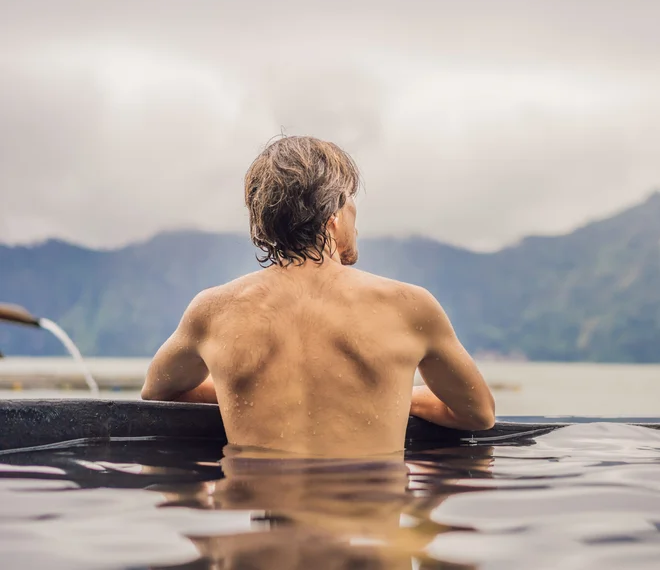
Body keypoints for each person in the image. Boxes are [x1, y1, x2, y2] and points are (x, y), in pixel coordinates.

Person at [141, 136, 495, 456]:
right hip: (368, 519)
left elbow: (158, 394)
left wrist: (250, 395)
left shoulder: (213, 310)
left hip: (254, 521)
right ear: (335, 216)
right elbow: (477, 414)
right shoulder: (409, 307)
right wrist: (395, 397)